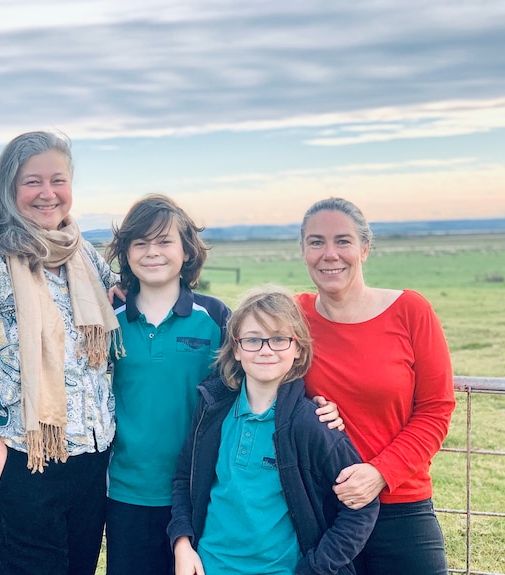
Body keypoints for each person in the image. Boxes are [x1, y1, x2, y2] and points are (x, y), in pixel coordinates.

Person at [0, 131, 122, 575]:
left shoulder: (83, 256)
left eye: (58, 180)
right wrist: (8, 475)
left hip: (89, 464)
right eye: (31, 181)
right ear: (7, 189)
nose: (47, 193)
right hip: (21, 461)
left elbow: (125, 297)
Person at [169, 286, 378, 575]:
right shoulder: (212, 409)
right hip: (208, 566)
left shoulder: (312, 424)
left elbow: (361, 509)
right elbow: (184, 479)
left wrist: (315, 568)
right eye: (253, 340)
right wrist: (182, 544)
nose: (266, 350)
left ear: (298, 349)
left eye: (279, 339)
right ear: (236, 350)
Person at [296, 197, 456, 575]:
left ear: (365, 248)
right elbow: (244, 348)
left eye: (344, 241)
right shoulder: (291, 316)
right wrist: (127, 293)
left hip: (400, 503)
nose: (329, 254)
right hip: (322, 510)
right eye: (316, 242)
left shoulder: (410, 311)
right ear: (303, 250)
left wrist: (380, 473)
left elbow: (436, 410)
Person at [103, 194, 232, 575]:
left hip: (200, 490)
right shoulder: (109, 319)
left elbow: (259, 375)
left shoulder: (215, 316)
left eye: (164, 241)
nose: (152, 252)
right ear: (125, 253)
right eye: (140, 243)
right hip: (127, 491)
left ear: (187, 250)